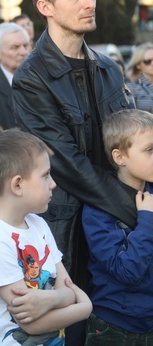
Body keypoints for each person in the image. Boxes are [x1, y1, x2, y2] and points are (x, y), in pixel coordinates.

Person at [12, 0, 135, 345]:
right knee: (71, 333)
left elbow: (129, 145)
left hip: (117, 229)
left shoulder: (108, 69)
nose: (89, 1)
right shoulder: (31, 77)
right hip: (68, 229)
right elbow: (66, 163)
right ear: (45, 7)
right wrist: (136, 206)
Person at [0, 129, 92, 345]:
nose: (53, 183)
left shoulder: (38, 224)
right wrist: (84, 308)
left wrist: (52, 298)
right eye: (45, 175)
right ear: (17, 185)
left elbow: (66, 287)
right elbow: (31, 324)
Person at [82, 109, 153, 343]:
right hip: (115, 328)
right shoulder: (99, 208)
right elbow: (127, 271)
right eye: (149, 150)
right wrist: (147, 220)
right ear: (120, 156)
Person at [125, 43, 153, 112]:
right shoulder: (131, 88)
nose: (152, 64)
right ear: (138, 65)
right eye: (147, 61)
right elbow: (130, 114)